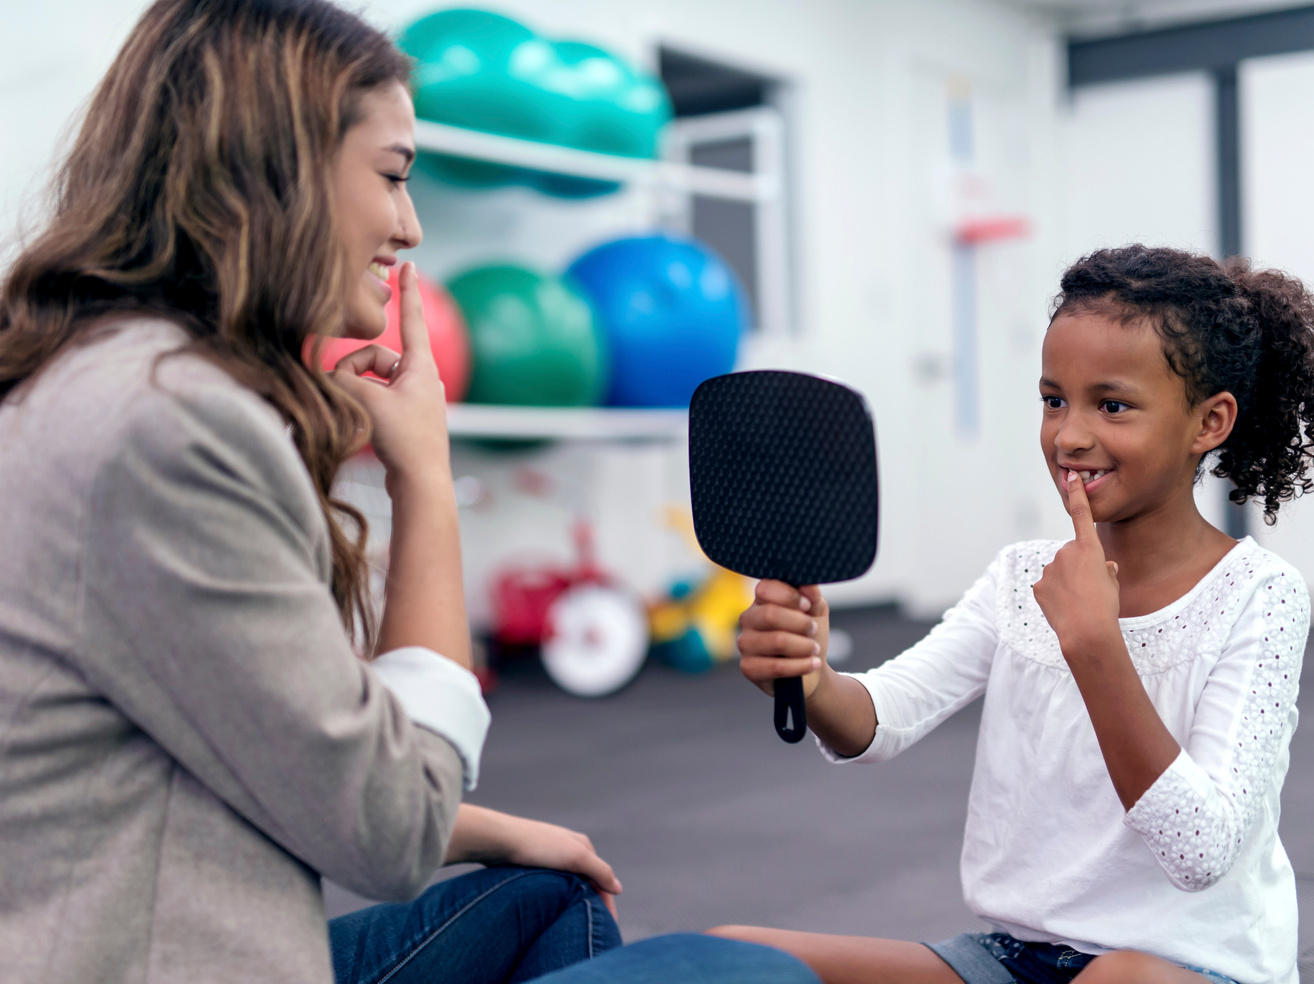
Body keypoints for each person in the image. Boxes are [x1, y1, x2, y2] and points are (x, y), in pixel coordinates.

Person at [0, 3, 818, 984]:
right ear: (281, 173)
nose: (411, 225)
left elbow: (283, 740)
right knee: (743, 974)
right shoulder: (172, 425)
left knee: (544, 890)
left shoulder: (111, 378)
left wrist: (490, 830)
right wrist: (423, 474)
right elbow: (387, 826)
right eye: (393, 175)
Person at [713, 245, 1314, 984]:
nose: (1067, 435)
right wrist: (811, 675)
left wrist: (1095, 646)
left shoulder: (1258, 594)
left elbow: (1199, 850)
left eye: (1110, 405)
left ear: (1208, 423)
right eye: (1054, 399)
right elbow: (883, 716)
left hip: (1184, 971)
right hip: (1012, 962)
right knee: (728, 957)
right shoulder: (1021, 575)